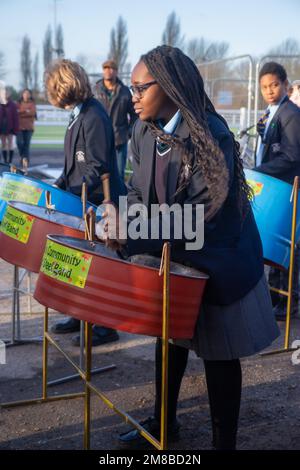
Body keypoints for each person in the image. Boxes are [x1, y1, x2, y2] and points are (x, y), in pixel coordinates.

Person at [97, 46, 280, 450]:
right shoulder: (144, 130)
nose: (134, 96)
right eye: (131, 88)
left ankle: (223, 443)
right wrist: (120, 217)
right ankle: (164, 425)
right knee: (170, 340)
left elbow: (202, 218)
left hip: (220, 260)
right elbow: (139, 192)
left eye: (141, 87)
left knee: (218, 355)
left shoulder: (209, 134)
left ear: (170, 87)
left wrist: (133, 232)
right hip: (176, 255)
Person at [45, 59, 126, 346]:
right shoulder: (79, 115)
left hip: (101, 204)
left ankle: (105, 327)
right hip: (82, 201)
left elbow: (97, 166)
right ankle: (80, 314)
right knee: (82, 263)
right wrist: (57, 186)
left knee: (100, 267)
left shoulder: (94, 116)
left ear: (66, 87)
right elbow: (73, 166)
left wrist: (71, 191)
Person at [254, 62, 300, 320]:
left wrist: (261, 171)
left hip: (287, 187)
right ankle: (275, 295)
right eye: (264, 87)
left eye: (274, 85)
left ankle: (289, 300)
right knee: (274, 241)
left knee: (287, 243)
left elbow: (293, 155)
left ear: (285, 85)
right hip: (277, 185)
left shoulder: (291, 113)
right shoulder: (273, 111)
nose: (269, 91)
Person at [94, 59, 136, 181]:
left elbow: (134, 115)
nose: (108, 71)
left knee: (118, 176)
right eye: (105, 68)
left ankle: (120, 200)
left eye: (111, 68)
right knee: (98, 176)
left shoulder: (125, 91)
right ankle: (100, 200)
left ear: (116, 71)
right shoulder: (95, 90)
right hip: (99, 140)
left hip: (119, 141)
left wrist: (128, 133)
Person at [16, 88, 36, 166]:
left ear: (30, 95)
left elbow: (32, 113)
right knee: (19, 143)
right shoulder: (18, 103)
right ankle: (23, 157)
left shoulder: (32, 104)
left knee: (26, 145)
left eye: (28, 93)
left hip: (29, 128)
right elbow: (16, 113)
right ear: (22, 94)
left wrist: (21, 112)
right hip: (19, 127)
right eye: (25, 93)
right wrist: (26, 111)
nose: (26, 95)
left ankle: (25, 163)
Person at [0, 87, 19, 163]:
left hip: (10, 126)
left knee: (10, 144)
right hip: (1, 126)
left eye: (7, 93)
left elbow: (15, 117)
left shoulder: (13, 105)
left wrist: (15, 128)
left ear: (9, 94)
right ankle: (5, 161)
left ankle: (10, 161)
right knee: (3, 144)